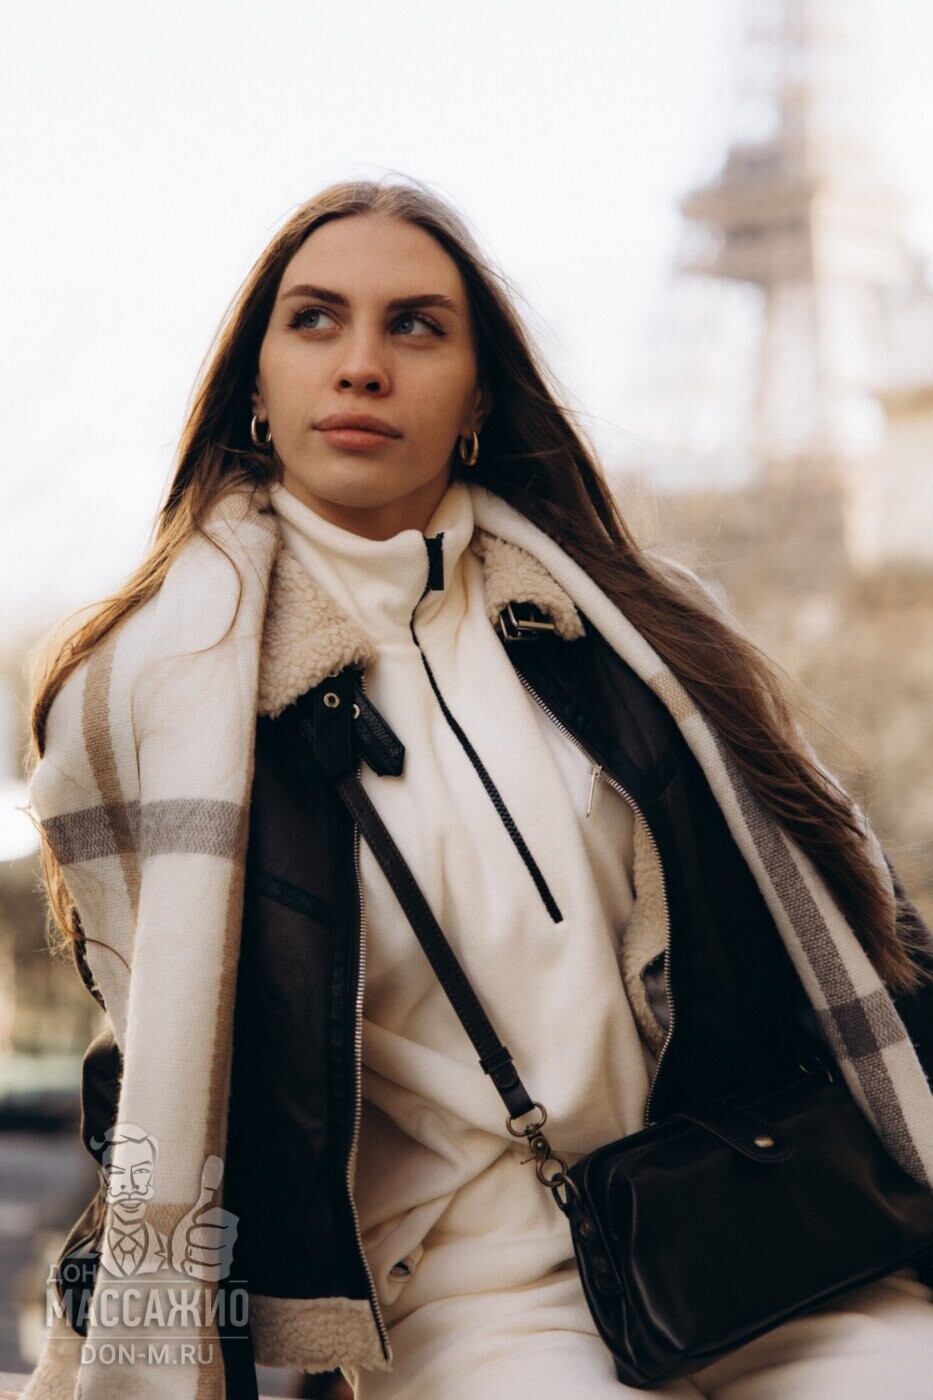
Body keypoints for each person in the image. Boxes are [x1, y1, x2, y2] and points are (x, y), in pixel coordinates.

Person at [24, 176, 933, 1400]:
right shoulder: (149, 697)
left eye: (415, 325)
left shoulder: (642, 636)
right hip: (459, 1298)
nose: (361, 364)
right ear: (257, 389)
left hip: (737, 1229)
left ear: (478, 402)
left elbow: (851, 919)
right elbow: (155, 1074)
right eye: (315, 319)